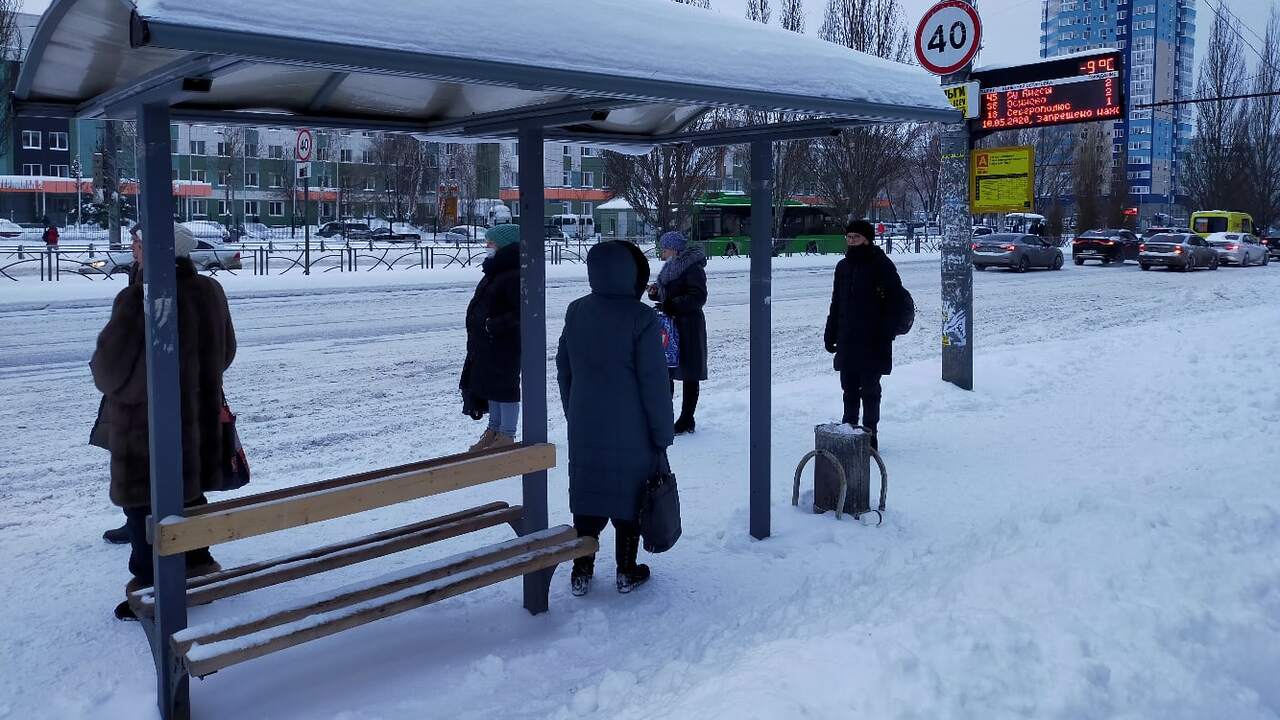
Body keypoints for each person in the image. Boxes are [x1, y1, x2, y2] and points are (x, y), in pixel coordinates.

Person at [91, 222, 236, 620]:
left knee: (142, 502)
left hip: (144, 426)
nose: (134, 247)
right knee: (188, 491)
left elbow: (107, 370)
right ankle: (200, 567)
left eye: (140, 242)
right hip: (199, 417)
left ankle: (149, 586)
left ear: (158, 250)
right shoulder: (209, 291)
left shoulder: (139, 297)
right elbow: (226, 352)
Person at [557, 241, 674, 596]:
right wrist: (662, 433)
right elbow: (654, 382)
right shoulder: (641, 318)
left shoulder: (576, 311)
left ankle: (581, 570)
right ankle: (626, 570)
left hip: (585, 422)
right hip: (632, 428)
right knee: (629, 498)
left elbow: (564, 370)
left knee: (588, 495)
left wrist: (574, 411)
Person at [823, 219, 904, 451]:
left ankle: (870, 435)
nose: (852, 241)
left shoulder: (881, 265)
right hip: (848, 338)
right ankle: (849, 431)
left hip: (873, 339)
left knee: (869, 390)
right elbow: (836, 303)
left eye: (856, 237)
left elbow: (895, 303)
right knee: (848, 388)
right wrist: (830, 333)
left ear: (867, 239)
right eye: (849, 237)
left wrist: (886, 333)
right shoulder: (843, 267)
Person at [461, 224, 522, 452]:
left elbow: (521, 313)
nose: (487, 246)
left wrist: (493, 325)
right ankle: (494, 431)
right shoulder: (496, 270)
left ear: (505, 245)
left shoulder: (513, 273)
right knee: (492, 387)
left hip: (504, 344)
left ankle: (506, 435)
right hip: (488, 343)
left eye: (491, 242)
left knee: (505, 388)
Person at [647, 231, 707, 435]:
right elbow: (669, 294)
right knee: (667, 371)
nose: (662, 251)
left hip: (688, 326)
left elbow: (698, 297)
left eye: (664, 247)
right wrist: (657, 294)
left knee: (689, 374)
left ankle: (686, 419)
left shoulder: (692, 268)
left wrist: (671, 304)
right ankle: (666, 416)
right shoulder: (671, 267)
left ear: (674, 249)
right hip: (671, 326)